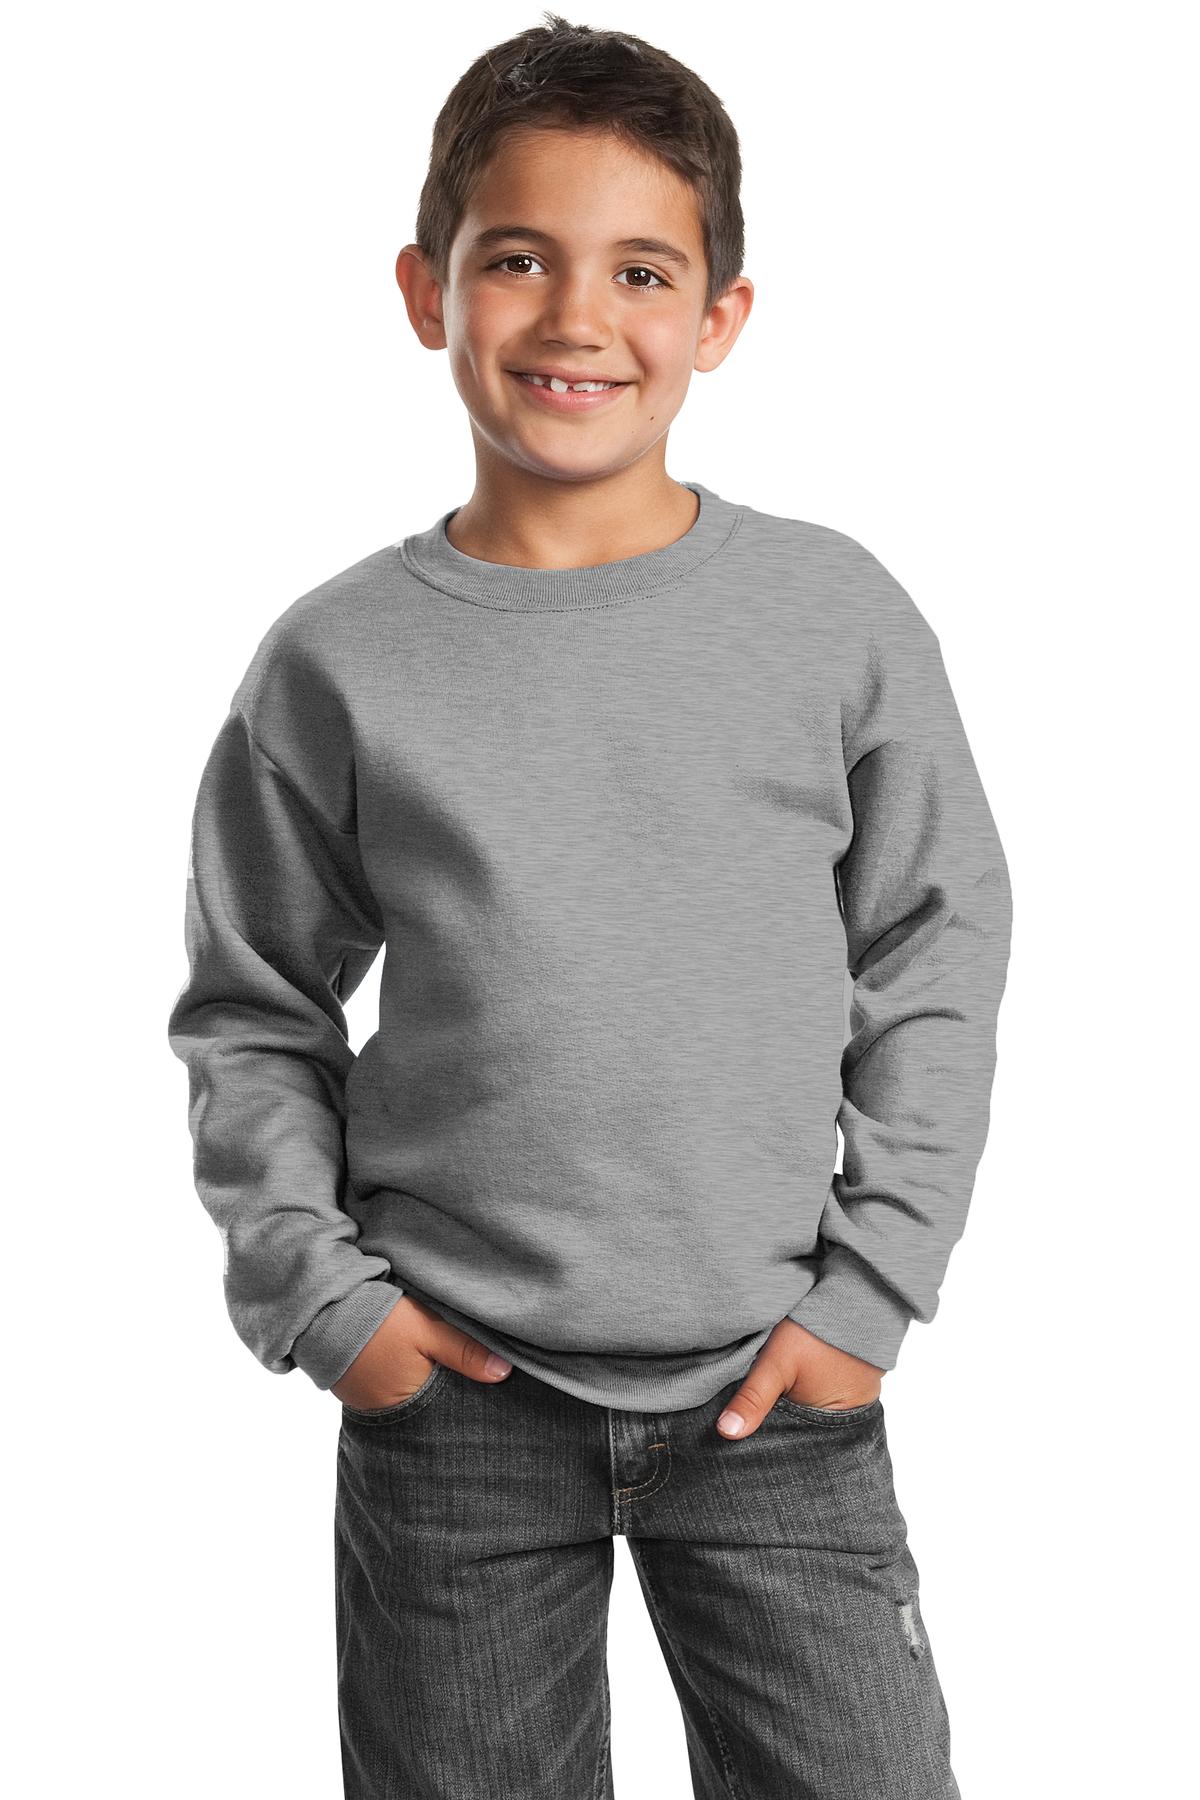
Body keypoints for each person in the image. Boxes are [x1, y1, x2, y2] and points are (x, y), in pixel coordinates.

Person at [167, 14, 1013, 1798]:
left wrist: (873, 1289)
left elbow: (935, 945)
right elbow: (253, 1002)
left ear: (720, 316)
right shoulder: (337, 658)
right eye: (518, 259)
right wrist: (324, 1302)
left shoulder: (830, 615)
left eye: (641, 270)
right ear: (428, 291)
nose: (575, 318)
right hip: (456, 1402)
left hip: (776, 1389)